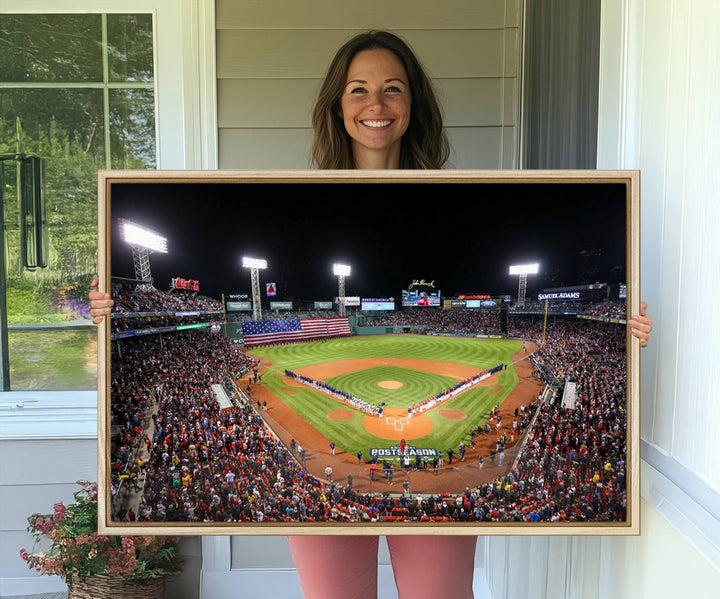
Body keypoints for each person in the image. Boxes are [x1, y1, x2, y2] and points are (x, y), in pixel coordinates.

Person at [89, 29, 654, 599]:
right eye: (358, 89)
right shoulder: (302, 198)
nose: (375, 105)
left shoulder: (450, 195)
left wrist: (628, 334)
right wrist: (109, 311)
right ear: (338, 104)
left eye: (393, 89)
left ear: (413, 105)